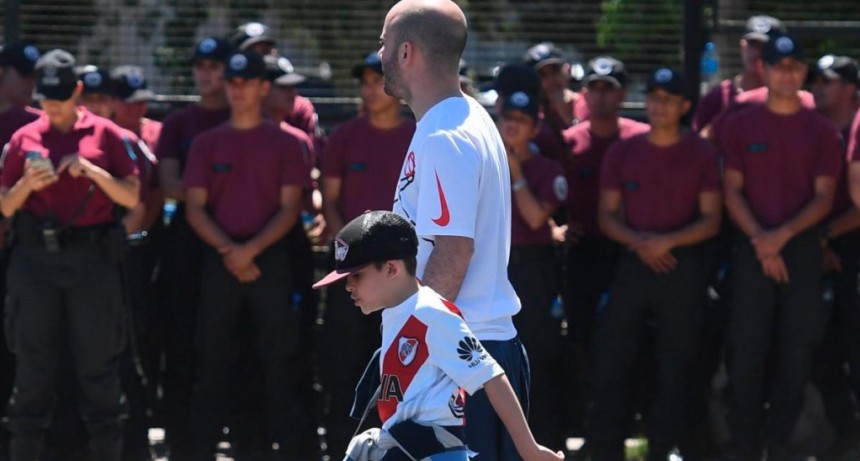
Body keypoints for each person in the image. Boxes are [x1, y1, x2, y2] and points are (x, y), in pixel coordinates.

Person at [380, 1, 534, 457]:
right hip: (469, 353)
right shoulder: (461, 118)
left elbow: (452, 253)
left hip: (458, 359)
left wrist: (409, 352)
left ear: (407, 52)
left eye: (384, 42)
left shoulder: (446, 134)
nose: (380, 52)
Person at [311, 210, 563, 461]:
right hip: (403, 449)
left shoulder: (431, 313)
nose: (347, 286)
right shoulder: (394, 313)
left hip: (433, 452)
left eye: (356, 276)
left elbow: (491, 375)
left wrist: (529, 448)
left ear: (390, 269)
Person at [0, 48, 140, 461]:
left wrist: (93, 172)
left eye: (61, 99)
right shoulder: (23, 137)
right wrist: (28, 184)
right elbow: (6, 206)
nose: (54, 109)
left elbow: (132, 195)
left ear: (77, 91)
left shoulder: (105, 133)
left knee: (98, 370)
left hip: (91, 260)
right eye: (46, 101)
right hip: (35, 261)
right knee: (32, 372)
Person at [586, 68, 721, 461]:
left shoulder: (702, 153)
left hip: (683, 270)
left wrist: (669, 241)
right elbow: (607, 215)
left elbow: (711, 219)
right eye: (654, 96)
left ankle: (664, 450)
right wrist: (642, 243)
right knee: (613, 363)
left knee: (675, 368)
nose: (659, 105)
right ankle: (604, 451)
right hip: (633, 268)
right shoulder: (623, 150)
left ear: (684, 106)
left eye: (668, 98)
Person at [183, 49, 309, 460]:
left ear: (262, 87)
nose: (237, 91)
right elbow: (194, 207)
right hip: (219, 261)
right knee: (212, 360)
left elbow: (291, 208)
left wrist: (250, 250)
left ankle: (286, 451)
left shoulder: (290, 143)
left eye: (245, 83)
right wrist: (230, 251)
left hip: (269, 262)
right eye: (232, 83)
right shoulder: (206, 144)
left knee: (278, 361)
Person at [721, 33, 843, 459]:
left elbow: (825, 196)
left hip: (802, 252)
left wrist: (780, 238)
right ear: (764, 70)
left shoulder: (823, 131)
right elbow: (731, 190)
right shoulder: (739, 123)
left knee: (796, 354)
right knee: (747, 354)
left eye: (794, 66)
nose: (787, 74)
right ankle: (742, 448)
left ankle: (780, 449)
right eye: (778, 65)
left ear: (803, 72)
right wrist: (761, 241)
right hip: (752, 251)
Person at [318, 50, 415, 453]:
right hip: (351, 270)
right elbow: (329, 202)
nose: (370, 89)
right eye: (364, 81)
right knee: (345, 358)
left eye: (378, 79)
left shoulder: (419, 134)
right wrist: (351, 256)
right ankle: (344, 445)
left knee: (404, 358)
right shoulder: (344, 137)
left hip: (402, 273)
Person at [558, 56, 649, 433]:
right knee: (581, 339)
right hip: (583, 254)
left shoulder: (640, 138)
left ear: (622, 94)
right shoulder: (569, 142)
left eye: (607, 89)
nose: (599, 96)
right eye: (592, 88)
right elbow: (552, 192)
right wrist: (560, 228)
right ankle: (586, 428)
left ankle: (633, 424)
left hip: (632, 252)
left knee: (636, 338)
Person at [155, 35, 233, 456]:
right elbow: (169, 187)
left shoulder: (246, 119)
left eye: (215, 66)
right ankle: (182, 440)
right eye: (199, 67)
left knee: (230, 341)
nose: (206, 75)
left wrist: (202, 191)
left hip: (237, 239)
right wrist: (212, 191)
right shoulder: (179, 123)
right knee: (181, 340)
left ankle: (235, 435)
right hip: (186, 244)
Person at [498, 90, 568, 449]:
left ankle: (541, 445)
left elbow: (536, 216)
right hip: (496, 270)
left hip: (533, 273)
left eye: (521, 121)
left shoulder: (547, 170)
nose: (511, 126)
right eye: (507, 118)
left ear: (534, 127)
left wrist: (516, 174)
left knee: (536, 360)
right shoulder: (485, 162)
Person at [807, 54, 860, 458]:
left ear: (850, 89)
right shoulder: (810, 128)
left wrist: (828, 236)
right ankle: (847, 428)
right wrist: (819, 243)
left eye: (827, 81)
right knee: (816, 347)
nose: (817, 88)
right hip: (812, 249)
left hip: (850, 247)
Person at [693, 15, 785, 133]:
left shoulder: (790, 100)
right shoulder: (717, 98)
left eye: (765, 46)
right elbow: (696, 146)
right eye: (753, 44)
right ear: (743, 46)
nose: (757, 52)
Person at [523, 41, 588, 127]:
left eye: (555, 70)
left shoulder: (588, 104)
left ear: (567, 70)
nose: (551, 80)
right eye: (543, 75)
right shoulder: (533, 117)